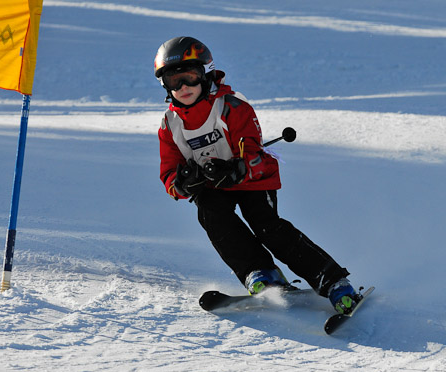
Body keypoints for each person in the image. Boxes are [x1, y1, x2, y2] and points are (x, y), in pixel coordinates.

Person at [154, 36, 363, 314]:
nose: (183, 87)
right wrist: (182, 182)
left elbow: (251, 149)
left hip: (253, 179)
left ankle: (333, 282)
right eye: (173, 81)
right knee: (211, 216)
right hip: (213, 186)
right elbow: (169, 171)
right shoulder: (170, 125)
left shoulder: (230, 106)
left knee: (266, 225)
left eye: (190, 77)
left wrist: (237, 168)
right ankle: (261, 273)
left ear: (205, 73)